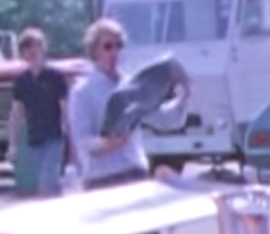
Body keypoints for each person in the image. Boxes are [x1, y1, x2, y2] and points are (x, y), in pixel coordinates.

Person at [67, 17, 190, 190]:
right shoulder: (82, 91)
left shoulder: (132, 85)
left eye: (119, 46)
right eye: (108, 47)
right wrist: (108, 144)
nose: (114, 52)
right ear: (94, 50)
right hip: (101, 179)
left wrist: (183, 97)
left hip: (135, 172)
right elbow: (82, 142)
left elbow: (165, 121)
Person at [8, 27, 70, 198]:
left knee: (47, 182)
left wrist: (70, 137)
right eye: (26, 49)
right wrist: (12, 144)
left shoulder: (55, 77)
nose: (31, 52)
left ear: (43, 48)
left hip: (54, 137)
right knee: (50, 183)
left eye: (35, 47)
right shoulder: (22, 81)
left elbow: (65, 108)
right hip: (34, 139)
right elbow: (16, 114)